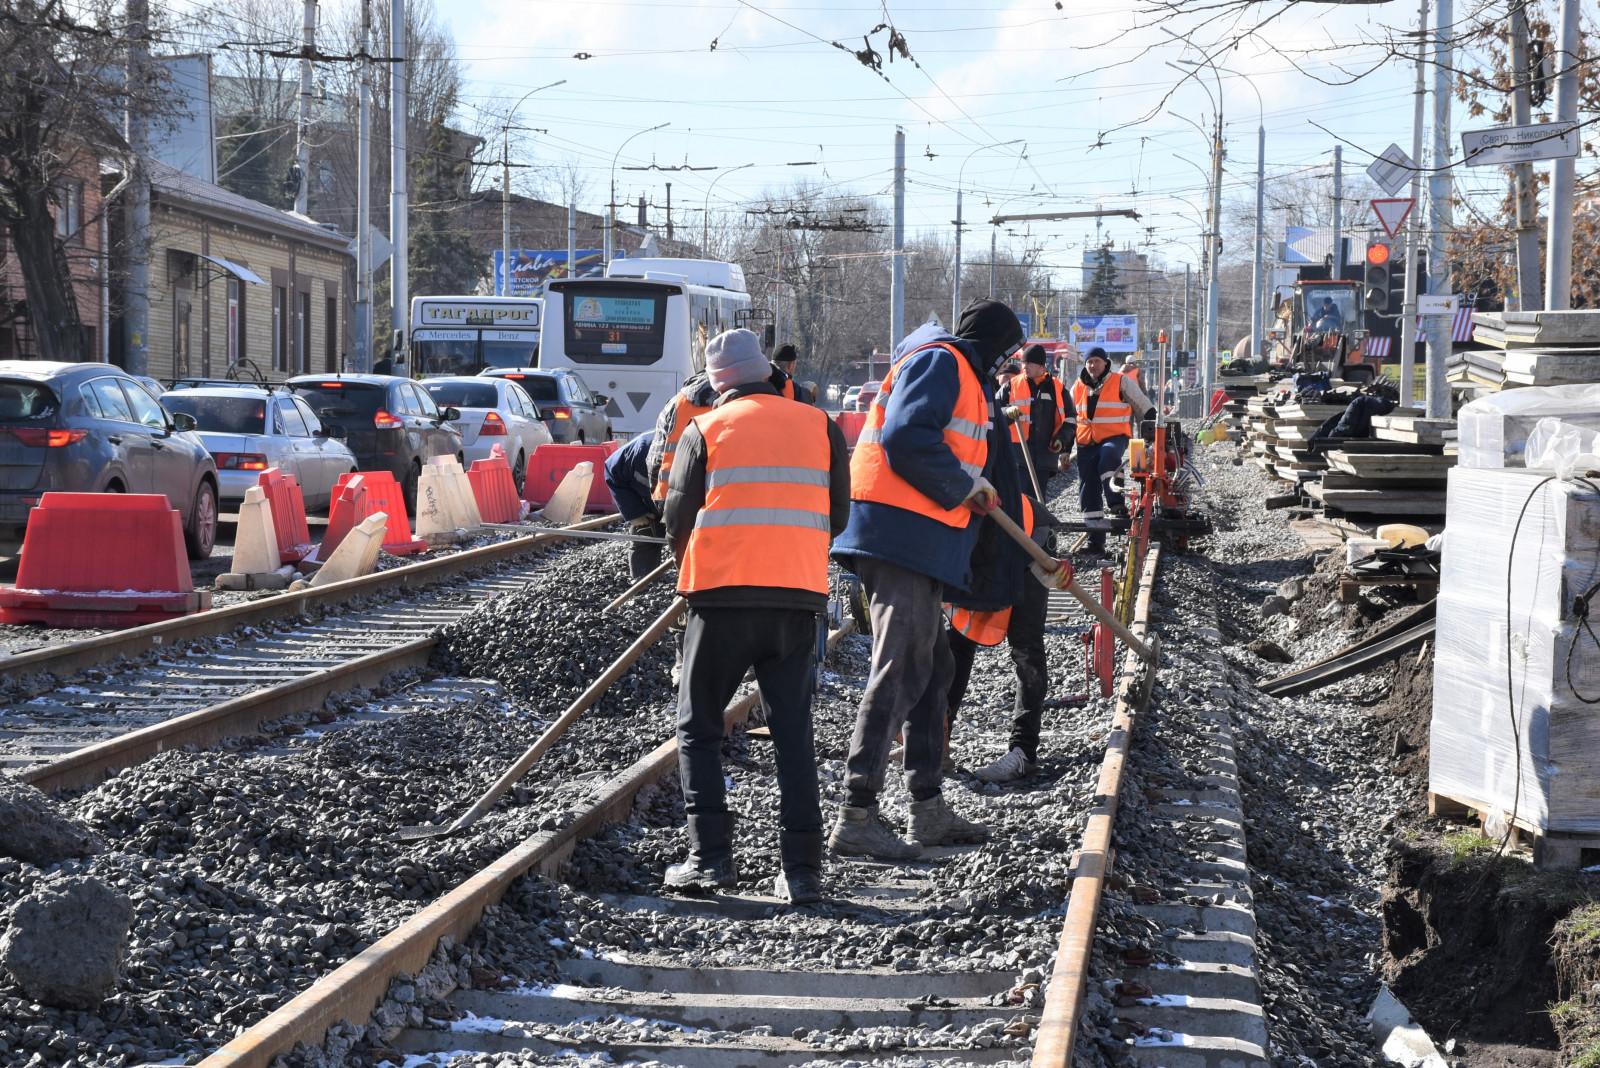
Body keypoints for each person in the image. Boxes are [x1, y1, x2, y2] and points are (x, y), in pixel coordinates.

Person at [828, 300, 1026, 860]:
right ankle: (857, 811)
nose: (1008, 367)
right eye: (1006, 354)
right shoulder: (942, 363)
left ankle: (926, 806)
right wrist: (963, 484)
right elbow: (907, 436)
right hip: (899, 536)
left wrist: (969, 486)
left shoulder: (958, 370)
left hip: (917, 537)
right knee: (901, 667)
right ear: (993, 345)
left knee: (934, 667)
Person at [662, 328, 851, 904]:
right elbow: (838, 517)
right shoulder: (819, 425)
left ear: (718, 385)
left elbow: (677, 517)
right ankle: (801, 872)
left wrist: (694, 562)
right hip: (796, 598)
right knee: (793, 732)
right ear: (767, 372)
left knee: (698, 728)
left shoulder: (706, 428)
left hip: (719, 599)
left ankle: (710, 858)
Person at [945, 494, 1064, 783]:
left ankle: (1023, 752)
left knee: (1026, 647)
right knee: (960, 639)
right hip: (988, 543)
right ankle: (937, 736)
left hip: (1029, 540)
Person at [1072, 347, 1156, 557]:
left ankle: (1116, 503)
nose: (1093, 365)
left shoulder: (1120, 381)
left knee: (1108, 458)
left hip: (1114, 437)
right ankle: (1095, 543)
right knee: (1088, 490)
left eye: (1097, 361)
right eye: (1089, 361)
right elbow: (1068, 413)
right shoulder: (1078, 385)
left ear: (1106, 363)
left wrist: (1149, 435)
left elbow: (1143, 405)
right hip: (1086, 443)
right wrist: (1064, 447)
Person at [1001, 344, 1071, 492]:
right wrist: (1007, 411)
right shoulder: (1011, 386)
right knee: (1021, 496)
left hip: (1044, 455)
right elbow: (993, 411)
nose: (1025, 367)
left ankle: (1037, 516)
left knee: (1037, 496)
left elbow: (1070, 419)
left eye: (1029, 363)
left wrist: (1061, 439)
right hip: (1018, 455)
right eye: (1023, 363)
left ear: (1041, 366)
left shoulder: (1057, 388)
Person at [602, 430, 664, 581]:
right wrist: (635, 513)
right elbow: (612, 470)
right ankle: (643, 583)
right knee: (645, 532)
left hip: (688, 508)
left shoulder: (697, 450)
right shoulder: (639, 451)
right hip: (649, 506)